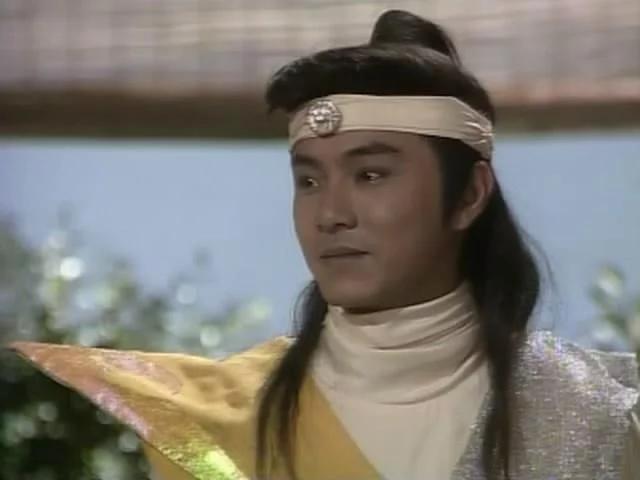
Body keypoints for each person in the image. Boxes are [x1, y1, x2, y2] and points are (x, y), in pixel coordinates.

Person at [7, 9, 639, 480]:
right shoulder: (215, 423)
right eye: (308, 181)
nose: (330, 214)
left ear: (470, 194)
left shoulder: (595, 414)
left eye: (371, 175)